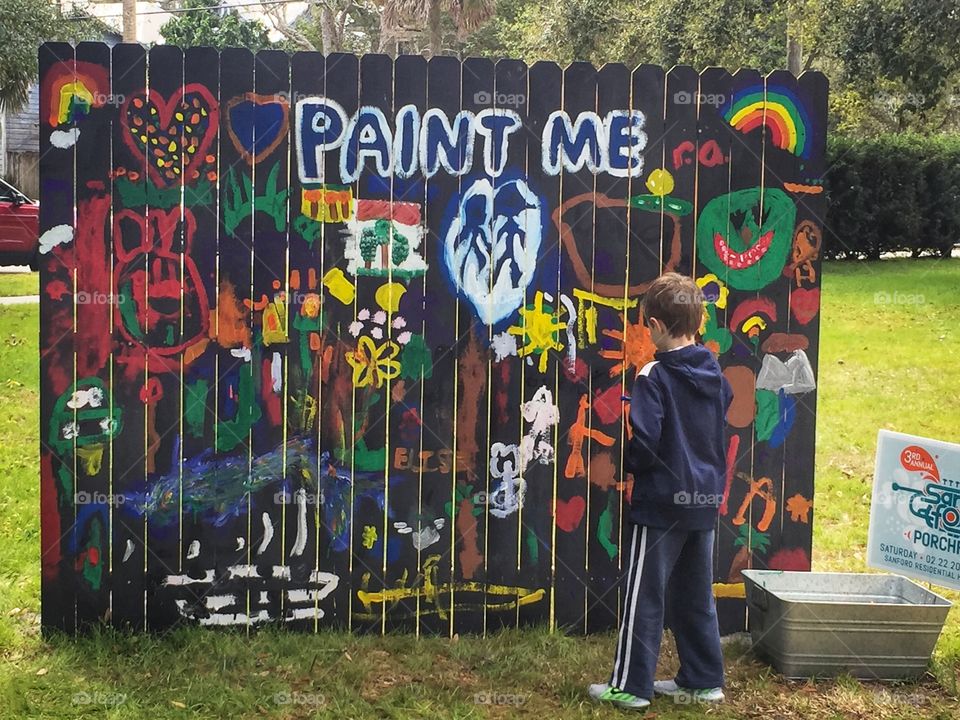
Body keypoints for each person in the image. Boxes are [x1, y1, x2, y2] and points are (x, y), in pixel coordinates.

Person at [589, 272, 733, 710]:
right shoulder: (713, 371)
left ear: (653, 325)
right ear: (698, 321)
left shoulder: (652, 375)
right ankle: (703, 680)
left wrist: (632, 461)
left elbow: (647, 441)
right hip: (703, 500)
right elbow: (722, 410)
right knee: (696, 594)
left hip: (661, 503)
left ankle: (630, 687)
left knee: (644, 596)